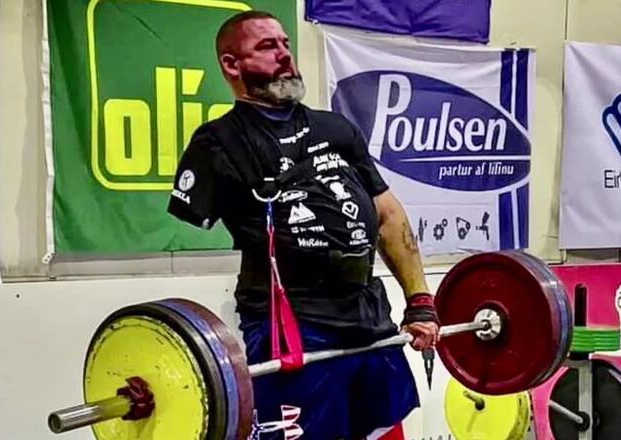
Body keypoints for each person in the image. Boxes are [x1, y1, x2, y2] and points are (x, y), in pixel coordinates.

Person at [168, 10, 439, 440]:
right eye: (267, 46)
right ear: (231, 65)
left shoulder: (336, 128)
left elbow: (388, 216)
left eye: (285, 43)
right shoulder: (215, 144)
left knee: (385, 432)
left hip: (368, 318)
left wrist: (420, 300)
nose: (284, 55)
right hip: (292, 329)